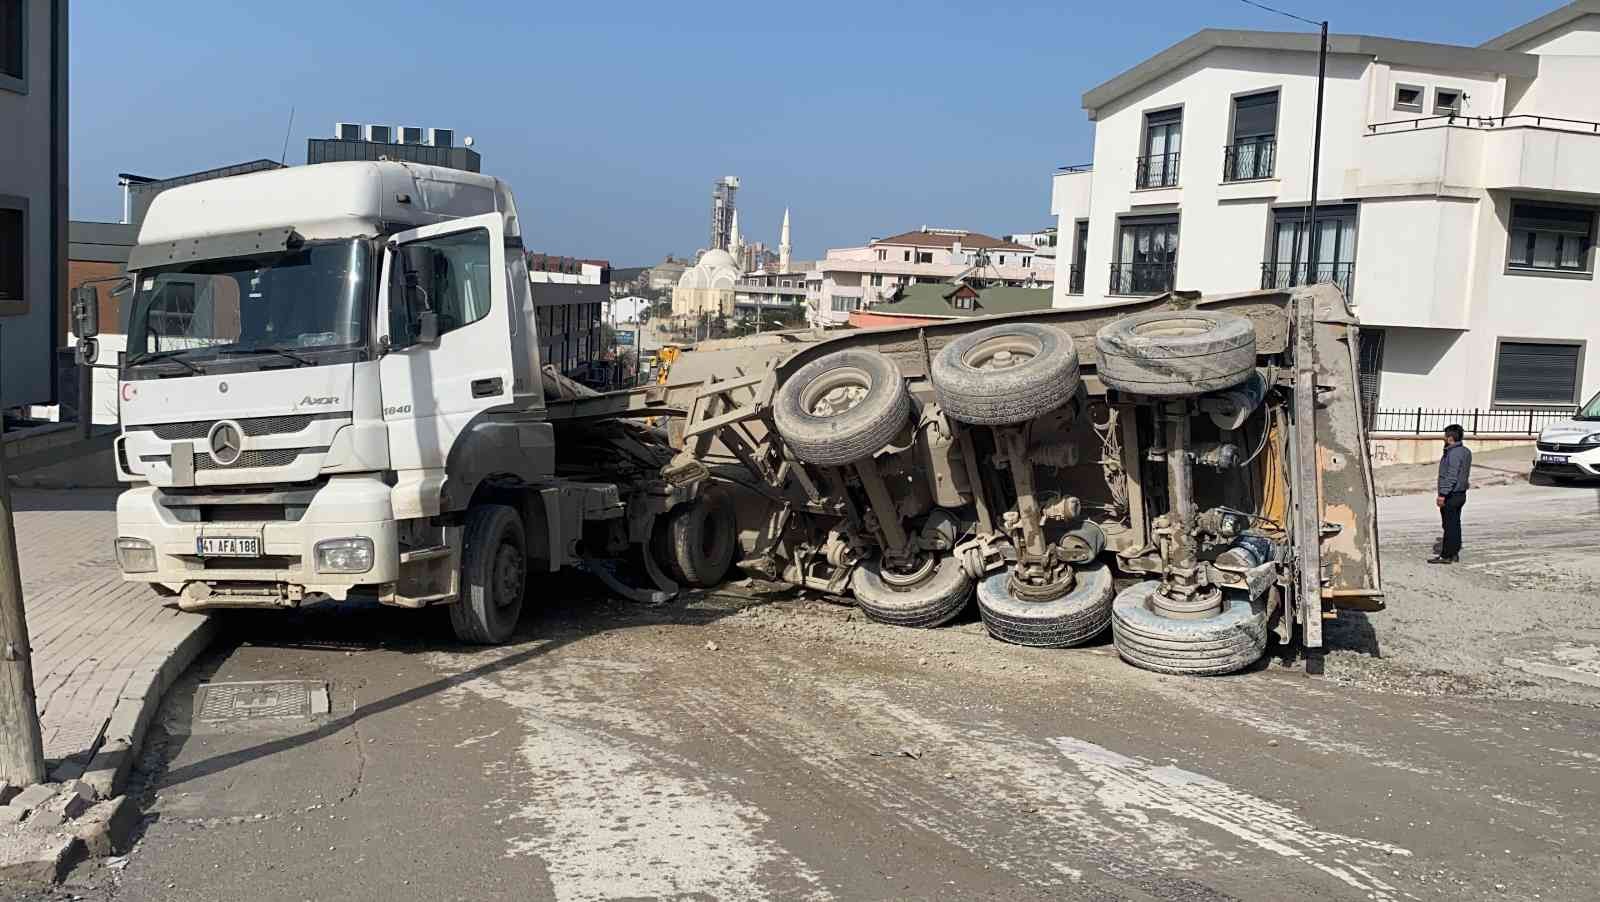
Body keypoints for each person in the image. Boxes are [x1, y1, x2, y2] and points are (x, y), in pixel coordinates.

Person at [1430, 424, 1472, 564]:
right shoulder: (1465, 451)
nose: (1443, 438)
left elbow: (1451, 475)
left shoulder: (1453, 453)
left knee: (1449, 525)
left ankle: (1446, 555)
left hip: (1452, 494)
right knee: (1455, 524)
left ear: (1450, 438)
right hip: (1461, 493)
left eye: (1445, 436)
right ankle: (1454, 552)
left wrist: (1442, 494)